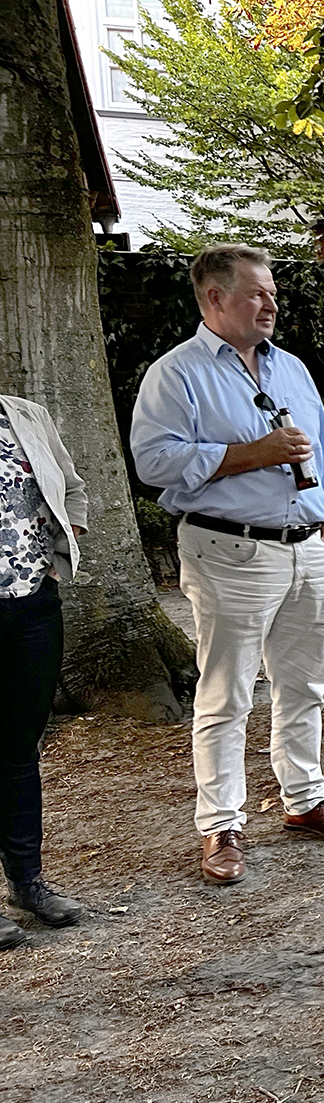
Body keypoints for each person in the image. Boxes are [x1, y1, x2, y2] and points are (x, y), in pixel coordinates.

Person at [131, 244, 324, 884]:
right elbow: (153, 461)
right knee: (228, 692)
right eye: (257, 293)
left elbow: (322, 452)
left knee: (305, 686)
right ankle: (221, 826)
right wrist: (252, 453)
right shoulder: (176, 374)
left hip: (308, 548)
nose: (271, 304)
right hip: (229, 550)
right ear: (214, 298)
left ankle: (305, 800)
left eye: (273, 293)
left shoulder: (291, 367)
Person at [0, 393, 87, 945]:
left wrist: (59, 555)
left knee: (18, 748)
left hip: (32, 603)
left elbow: (72, 487)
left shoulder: (24, 415)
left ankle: (27, 883)